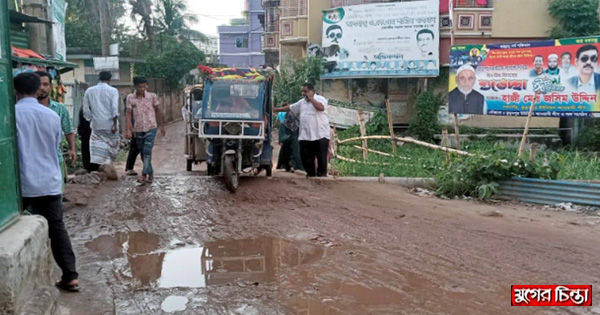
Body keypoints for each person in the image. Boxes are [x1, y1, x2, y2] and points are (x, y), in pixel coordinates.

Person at [14, 72, 79, 291]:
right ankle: (70, 275)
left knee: (11, 227)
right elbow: (55, 147)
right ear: (38, 90)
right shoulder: (52, 115)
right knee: (57, 228)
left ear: (15, 90)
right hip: (48, 181)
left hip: (20, 184)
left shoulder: (11, 115)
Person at [274, 83, 330, 177]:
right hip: (305, 135)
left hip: (320, 134)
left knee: (321, 157)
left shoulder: (321, 99)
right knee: (305, 156)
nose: (304, 94)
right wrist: (276, 109)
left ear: (312, 91)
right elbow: (290, 107)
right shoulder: (302, 102)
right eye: (302, 91)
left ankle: (322, 175)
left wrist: (312, 99)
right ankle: (311, 174)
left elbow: (321, 108)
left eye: (306, 91)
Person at [35, 71, 76, 191]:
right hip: (32, 160)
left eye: (45, 84)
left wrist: (72, 149)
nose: (42, 88)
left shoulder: (59, 109)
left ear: (50, 86)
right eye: (38, 84)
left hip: (55, 159)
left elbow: (68, 131)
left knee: (56, 195)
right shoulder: (25, 110)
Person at [125, 77, 165, 184]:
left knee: (147, 151)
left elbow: (157, 110)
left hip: (151, 127)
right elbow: (128, 114)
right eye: (140, 87)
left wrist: (161, 125)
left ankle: (143, 174)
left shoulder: (152, 97)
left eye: (144, 86)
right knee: (143, 152)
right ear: (135, 87)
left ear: (146, 86)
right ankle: (150, 171)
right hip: (138, 129)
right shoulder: (130, 98)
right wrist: (128, 129)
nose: (142, 89)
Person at [83, 71, 120, 166]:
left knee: (98, 147)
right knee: (112, 147)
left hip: (96, 125)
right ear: (109, 80)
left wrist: (89, 119)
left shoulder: (89, 90)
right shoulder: (113, 91)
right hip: (110, 125)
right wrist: (115, 124)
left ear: (99, 78)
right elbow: (114, 109)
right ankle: (108, 166)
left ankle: (100, 167)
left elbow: (85, 109)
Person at [124, 94, 140, 176]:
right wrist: (131, 129)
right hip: (135, 129)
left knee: (134, 148)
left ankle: (129, 168)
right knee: (135, 148)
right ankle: (129, 168)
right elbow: (128, 119)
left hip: (139, 128)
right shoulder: (129, 109)